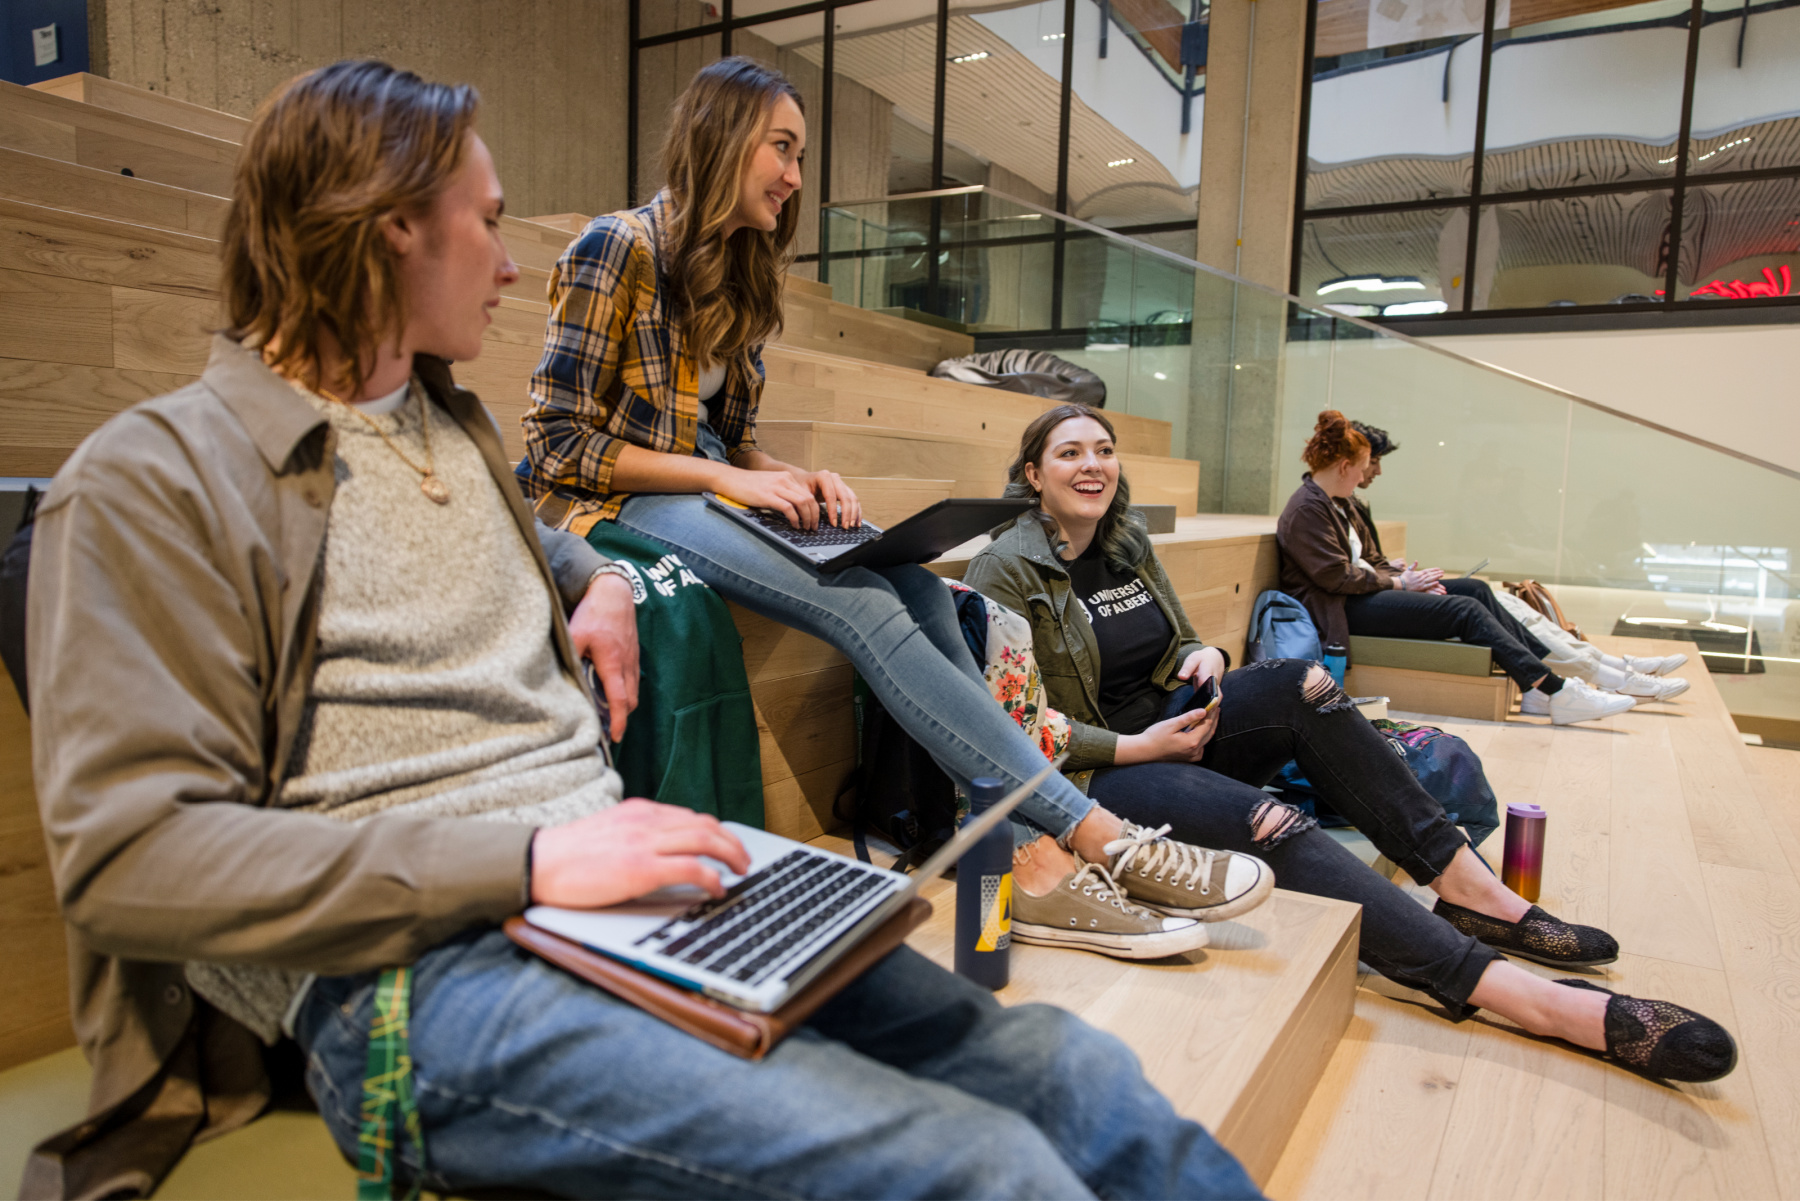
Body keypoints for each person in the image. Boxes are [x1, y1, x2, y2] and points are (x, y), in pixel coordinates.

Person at [21, 61, 1263, 1201]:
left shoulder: (438, 430)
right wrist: (529, 865)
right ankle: (1071, 838)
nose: (513, 265)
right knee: (977, 1166)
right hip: (411, 980)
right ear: (391, 224)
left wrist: (580, 572)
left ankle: (1037, 854)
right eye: (491, 220)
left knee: (1067, 1070)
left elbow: (508, 504)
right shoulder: (153, 477)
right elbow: (130, 864)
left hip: (621, 902)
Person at [514, 56, 1264, 952]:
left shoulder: (749, 269)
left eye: (800, 156)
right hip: (614, 504)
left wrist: (791, 474)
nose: (796, 178)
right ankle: (1088, 835)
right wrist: (729, 477)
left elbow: (733, 434)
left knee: (912, 582)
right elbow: (557, 446)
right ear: (722, 139)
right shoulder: (619, 247)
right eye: (781, 150)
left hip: (704, 483)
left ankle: (1024, 872)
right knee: (859, 599)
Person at [960, 404, 1737, 1084]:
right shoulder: (1004, 567)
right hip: (1097, 773)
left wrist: (1211, 657)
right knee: (1274, 823)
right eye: (1069, 452)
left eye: (1103, 449)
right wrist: (1141, 746)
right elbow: (1016, 726)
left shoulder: (1126, 539)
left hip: (1181, 724)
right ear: (1033, 473)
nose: (1091, 464)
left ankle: (1478, 896)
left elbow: (1183, 636)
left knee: (1306, 683)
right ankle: (1510, 991)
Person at [1278, 411, 1636, 726]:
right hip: (1341, 609)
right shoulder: (1308, 509)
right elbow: (1336, 578)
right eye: (1363, 467)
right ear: (1344, 466)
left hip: (1364, 594)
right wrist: (1401, 584)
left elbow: (1369, 559)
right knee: (1463, 610)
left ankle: (1539, 683)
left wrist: (1410, 580)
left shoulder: (1342, 502)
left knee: (1475, 589)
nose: (1366, 475)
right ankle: (1554, 690)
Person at [1348, 420, 1690, 702]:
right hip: (1365, 602)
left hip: (1381, 589)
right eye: (1371, 462)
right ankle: (1595, 676)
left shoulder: (1351, 503)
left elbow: (1370, 560)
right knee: (1481, 604)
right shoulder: (1323, 506)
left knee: (1503, 600)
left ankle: (1608, 665)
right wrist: (1400, 581)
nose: (1375, 470)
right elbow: (1342, 573)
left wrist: (1398, 573)